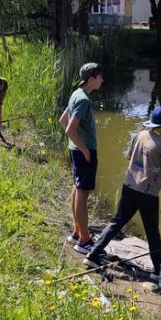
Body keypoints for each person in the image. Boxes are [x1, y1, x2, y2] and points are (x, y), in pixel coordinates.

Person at [82, 106, 161, 280]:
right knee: (152, 232)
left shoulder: (140, 135)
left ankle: (92, 254)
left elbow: (129, 157)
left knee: (117, 221)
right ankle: (158, 271)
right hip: (147, 194)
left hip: (129, 185)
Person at [59, 62, 104, 254]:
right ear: (92, 78)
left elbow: (62, 120)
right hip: (84, 152)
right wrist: (85, 150)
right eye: (100, 77)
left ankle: (78, 233)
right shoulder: (83, 100)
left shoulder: (76, 94)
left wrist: (76, 146)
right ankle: (84, 241)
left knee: (77, 189)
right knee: (83, 195)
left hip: (76, 150)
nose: (102, 80)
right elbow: (70, 129)